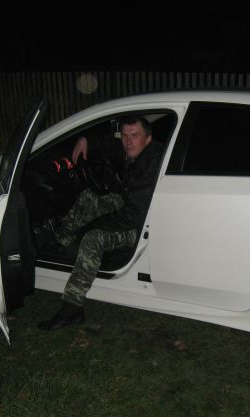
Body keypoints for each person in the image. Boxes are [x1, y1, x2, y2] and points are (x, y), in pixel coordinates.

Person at [38, 116, 163, 330]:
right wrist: (86, 140)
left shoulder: (153, 164)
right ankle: (61, 242)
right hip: (131, 207)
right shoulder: (130, 150)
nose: (128, 142)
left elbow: (132, 215)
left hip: (143, 224)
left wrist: (94, 225)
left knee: (92, 238)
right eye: (125, 135)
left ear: (148, 139)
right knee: (89, 196)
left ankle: (72, 309)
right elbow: (107, 144)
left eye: (135, 136)